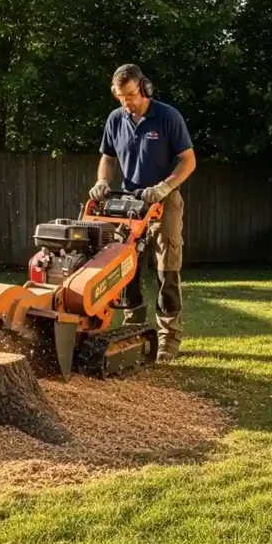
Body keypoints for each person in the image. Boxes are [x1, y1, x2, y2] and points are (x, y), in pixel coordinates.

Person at [89, 63, 196, 362]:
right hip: (129, 203)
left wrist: (163, 188)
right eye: (121, 97)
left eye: (132, 95)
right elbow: (107, 158)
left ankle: (168, 338)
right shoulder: (115, 120)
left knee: (167, 270)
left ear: (145, 88)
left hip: (164, 201)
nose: (128, 102)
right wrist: (101, 181)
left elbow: (188, 161)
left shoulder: (167, 117)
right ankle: (132, 331)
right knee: (125, 270)